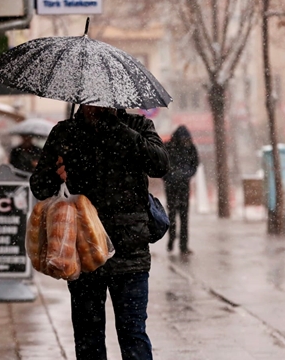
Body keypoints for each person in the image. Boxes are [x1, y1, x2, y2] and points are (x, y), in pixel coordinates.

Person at [30, 105, 169, 360]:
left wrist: (117, 128)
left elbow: (160, 165)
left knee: (133, 334)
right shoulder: (65, 132)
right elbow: (39, 185)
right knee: (88, 337)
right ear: (81, 100)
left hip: (129, 250)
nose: (98, 105)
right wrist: (55, 175)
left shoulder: (137, 127)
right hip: (83, 251)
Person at [162, 125, 199, 255]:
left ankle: (182, 245)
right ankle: (172, 242)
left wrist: (185, 175)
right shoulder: (170, 147)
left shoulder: (189, 148)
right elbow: (162, 165)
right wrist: (171, 176)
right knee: (173, 216)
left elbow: (195, 164)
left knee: (182, 217)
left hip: (182, 186)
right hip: (173, 186)